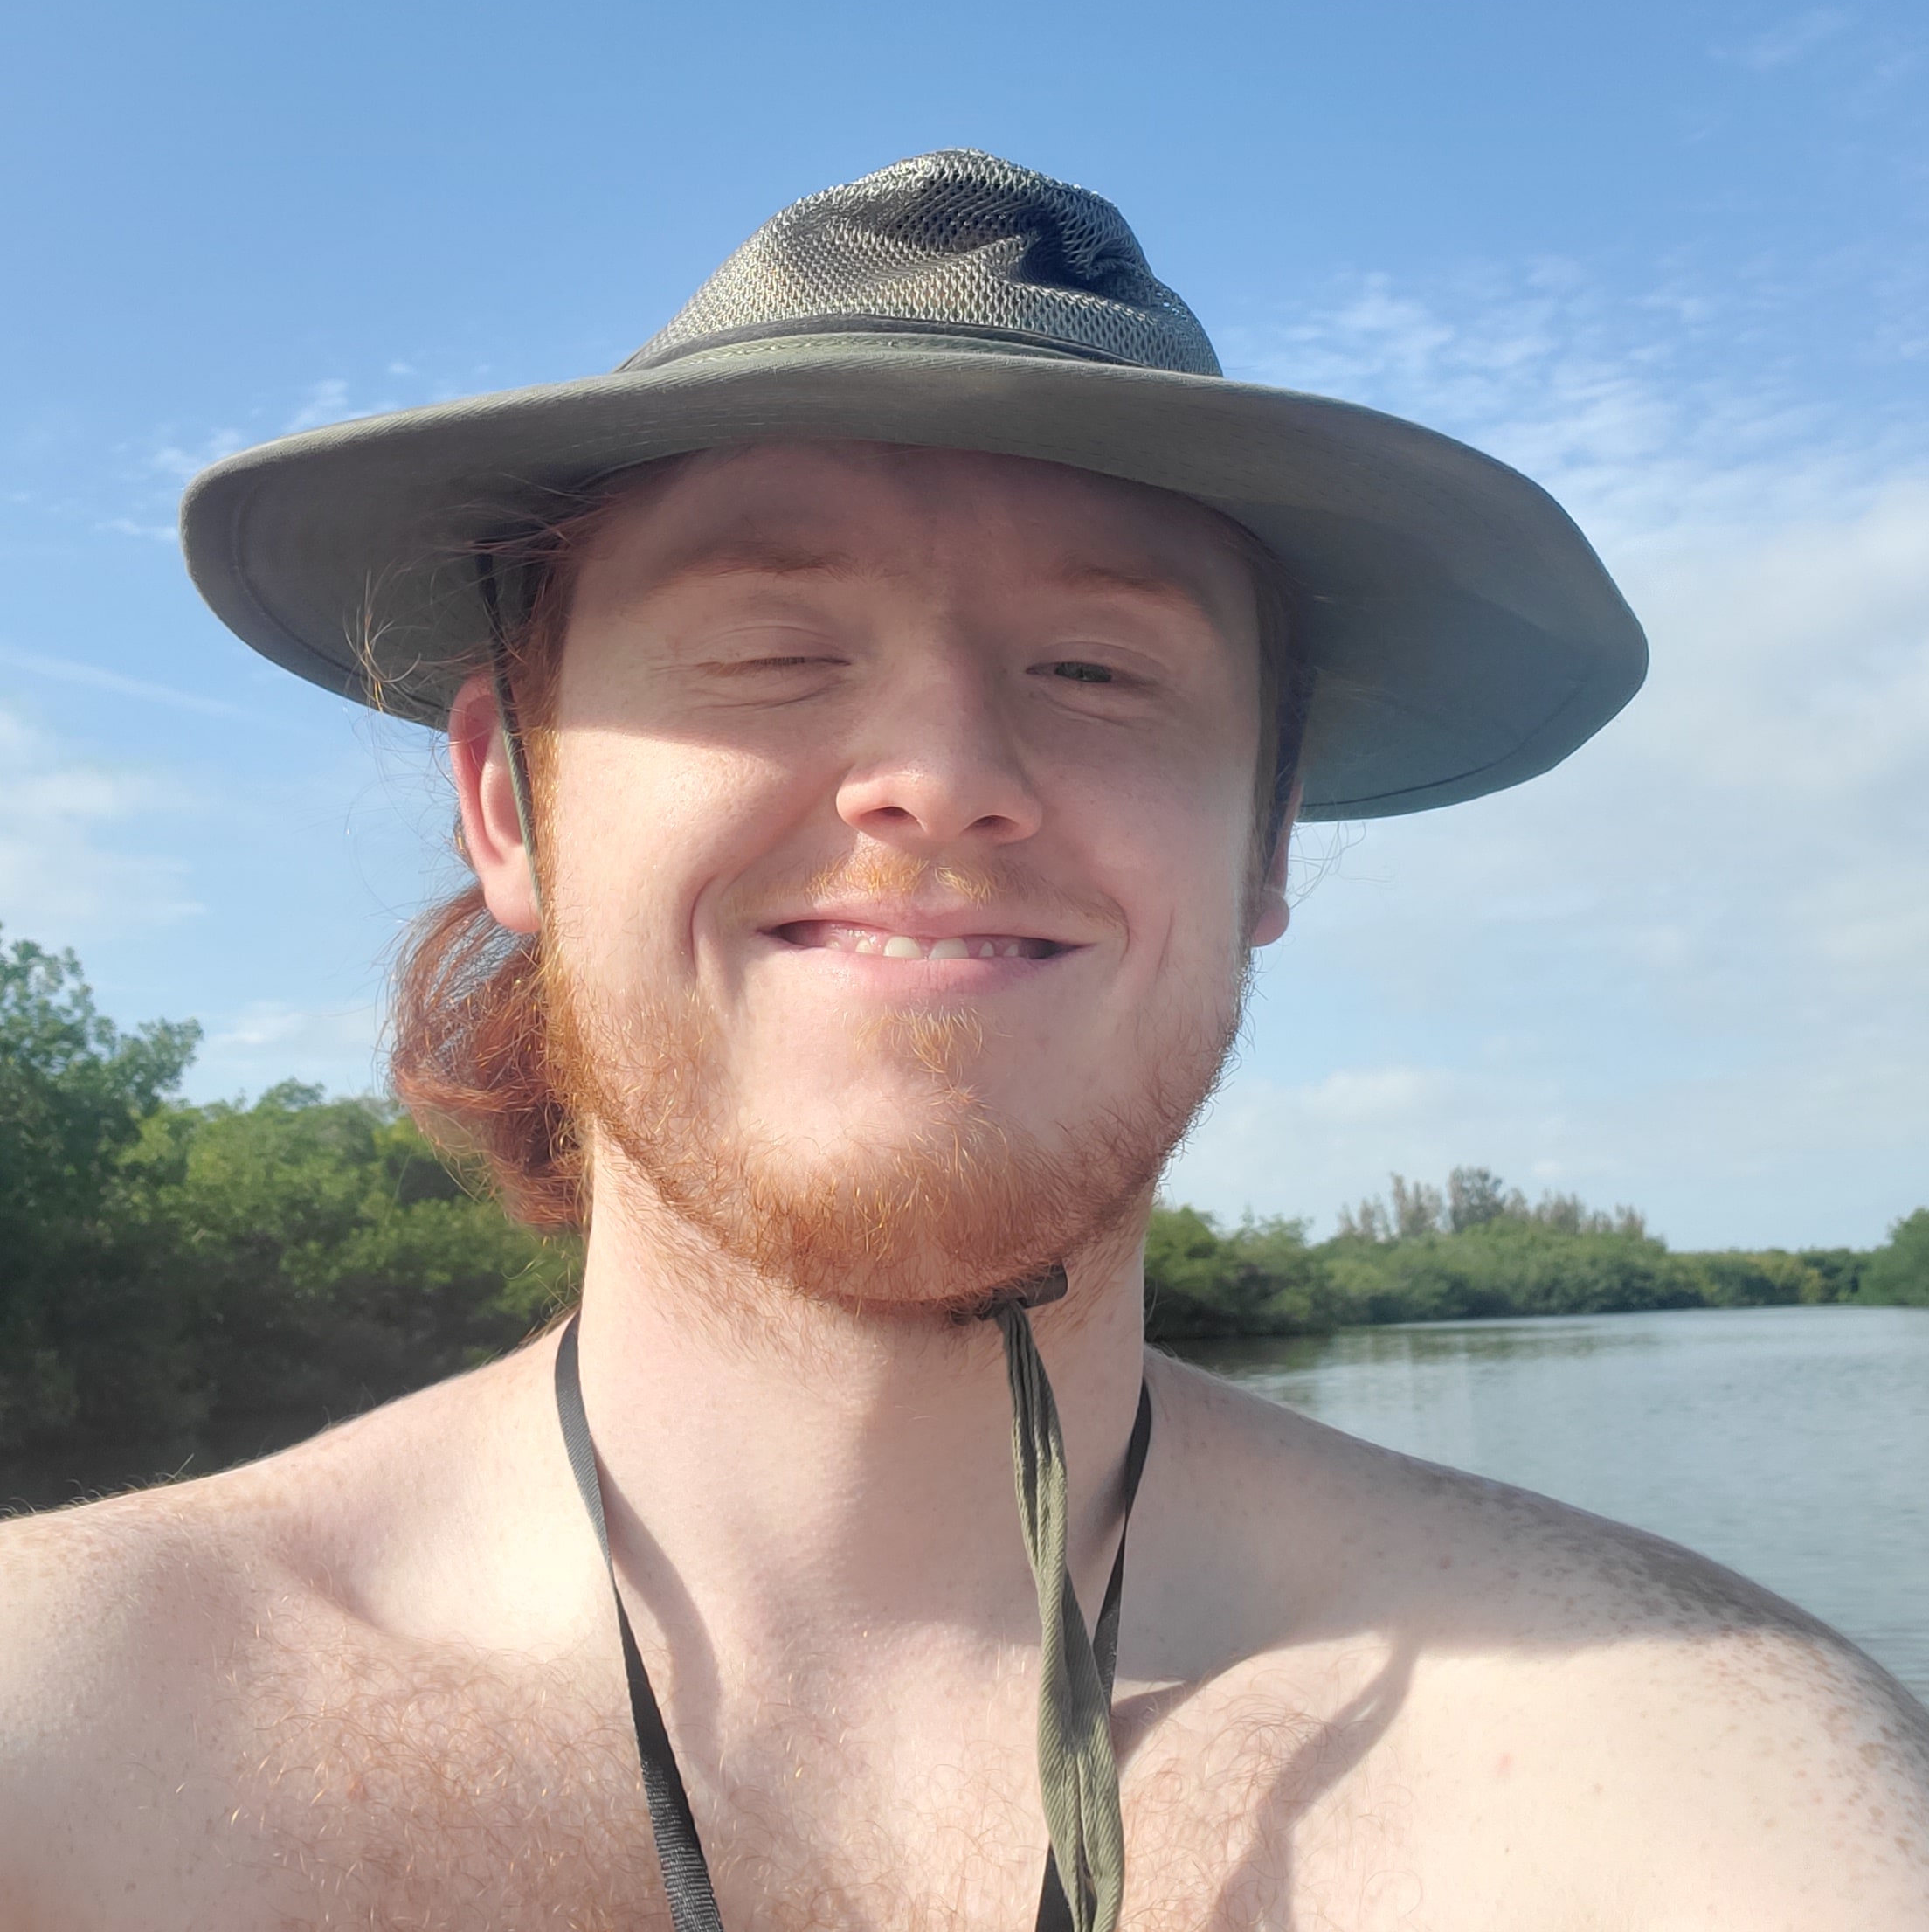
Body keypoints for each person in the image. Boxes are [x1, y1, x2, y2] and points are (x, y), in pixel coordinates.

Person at [1, 150, 1923, 1932]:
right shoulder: (59, 1755)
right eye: (771, 646)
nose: (939, 774)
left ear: (1265, 841)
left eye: (1098, 665)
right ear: (510, 799)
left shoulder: (1710, 1800)